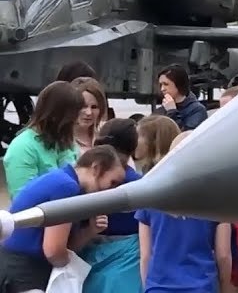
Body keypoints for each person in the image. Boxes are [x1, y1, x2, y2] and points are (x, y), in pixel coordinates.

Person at [0, 146, 126, 292]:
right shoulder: (66, 187)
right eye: (112, 183)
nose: (111, 191)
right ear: (96, 168)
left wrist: (90, 231)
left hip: (15, 265)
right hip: (24, 270)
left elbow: (64, 247)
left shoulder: (62, 179)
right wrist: (74, 271)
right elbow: (54, 252)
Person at [136, 131, 232, 293]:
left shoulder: (149, 195)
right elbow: (223, 255)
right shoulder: (217, 198)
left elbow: (145, 255)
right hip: (201, 286)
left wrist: (149, 286)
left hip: (159, 286)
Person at [81, 118, 144, 293]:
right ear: (133, 147)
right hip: (128, 262)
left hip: (87, 255)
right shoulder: (140, 185)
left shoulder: (85, 179)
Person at [3, 80, 83, 197]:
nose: (76, 122)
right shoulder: (22, 147)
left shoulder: (67, 142)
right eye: (71, 119)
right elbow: (23, 199)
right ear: (54, 115)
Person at [156, 63, 209, 130]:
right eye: (161, 85)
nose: (162, 89)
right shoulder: (162, 109)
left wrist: (172, 112)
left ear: (179, 84)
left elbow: (186, 133)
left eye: (166, 84)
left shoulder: (197, 110)